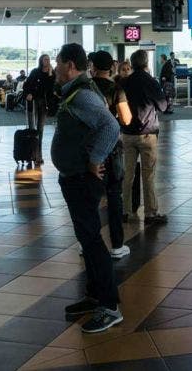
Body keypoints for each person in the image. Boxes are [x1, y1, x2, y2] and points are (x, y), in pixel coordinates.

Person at [51, 43, 123, 334]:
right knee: (86, 237)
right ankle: (94, 295)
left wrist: (95, 160)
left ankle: (110, 306)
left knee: (91, 240)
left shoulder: (82, 95)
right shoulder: (76, 92)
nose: (55, 68)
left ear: (70, 65)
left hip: (82, 178)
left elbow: (111, 127)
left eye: (58, 63)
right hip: (74, 177)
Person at [89, 51, 131, 259]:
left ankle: (87, 244)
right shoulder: (116, 89)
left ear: (92, 66)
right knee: (114, 196)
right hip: (112, 148)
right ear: (111, 67)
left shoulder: (85, 88)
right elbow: (126, 119)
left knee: (89, 198)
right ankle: (116, 245)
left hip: (88, 150)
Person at [120, 50, 168, 224]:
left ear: (132, 64)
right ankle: (150, 213)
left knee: (128, 174)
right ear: (146, 63)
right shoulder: (151, 82)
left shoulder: (125, 82)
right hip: (147, 134)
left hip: (127, 134)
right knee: (148, 175)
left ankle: (125, 211)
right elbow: (163, 106)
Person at [22, 54, 56, 165]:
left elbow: (52, 88)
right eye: (45, 59)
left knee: (40, 129)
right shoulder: (35, 72)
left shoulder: (52, 74)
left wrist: (51, 74)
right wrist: (28, 94)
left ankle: (38, 155)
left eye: (48, 59)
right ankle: (31, 153)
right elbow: (26, 85)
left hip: (44, 103)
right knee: (32, 127)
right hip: (34, 101)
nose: (47, 61)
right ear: (41, 61)